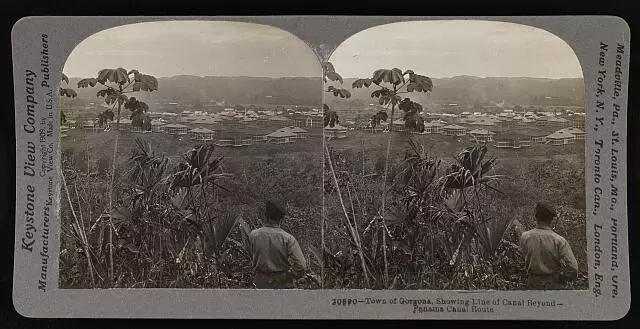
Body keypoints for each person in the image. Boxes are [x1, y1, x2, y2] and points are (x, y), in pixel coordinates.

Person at [519, 202, 579, 289]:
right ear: (551, 220)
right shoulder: (559, 240)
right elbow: (573, 269)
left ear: (536, 217)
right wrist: (561, 278)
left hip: (533, 284)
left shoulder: (525, 236)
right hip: (554, 285)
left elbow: (525, 256)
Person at [249, 200, 307, 289]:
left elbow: (251, 254)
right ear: (281, 219)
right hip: (281, 282)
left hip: (260, 282)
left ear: (266, 217)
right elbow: (301, 266)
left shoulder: (254, 235)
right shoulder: (288, 238)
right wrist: (291, 275)